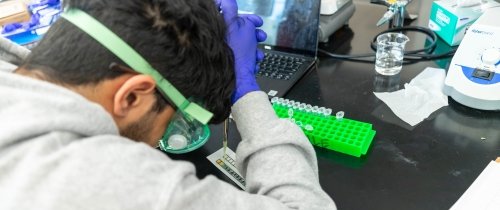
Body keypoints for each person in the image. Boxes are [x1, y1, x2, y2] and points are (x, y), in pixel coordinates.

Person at [0, 0, 336, 209]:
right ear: (131, 96)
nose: (164, 134)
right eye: (176, 118)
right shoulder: (102, 180)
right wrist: (247, 93)